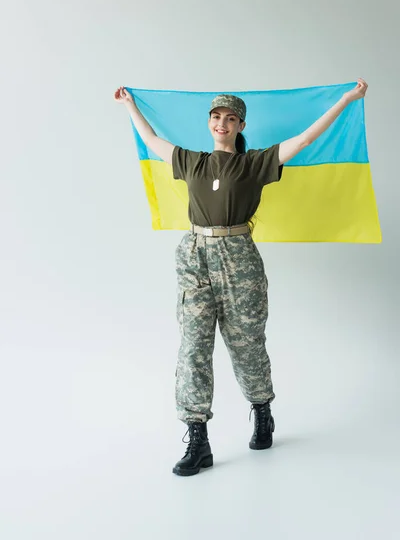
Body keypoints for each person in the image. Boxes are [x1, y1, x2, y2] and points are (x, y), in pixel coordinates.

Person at [114, 79, 368, 477]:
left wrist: (345, 101)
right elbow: (150, 139)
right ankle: (198, 439)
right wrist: (130, 105)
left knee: (247, 344)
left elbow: (302, 141)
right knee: (193, 347)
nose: (222, 123)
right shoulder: (191, 161)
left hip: (239, 259)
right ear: (209, 122)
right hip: (195, 257)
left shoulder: (254, 165)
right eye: (216, 116)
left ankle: (262, 410)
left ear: (240, 126)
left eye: (231, 118)